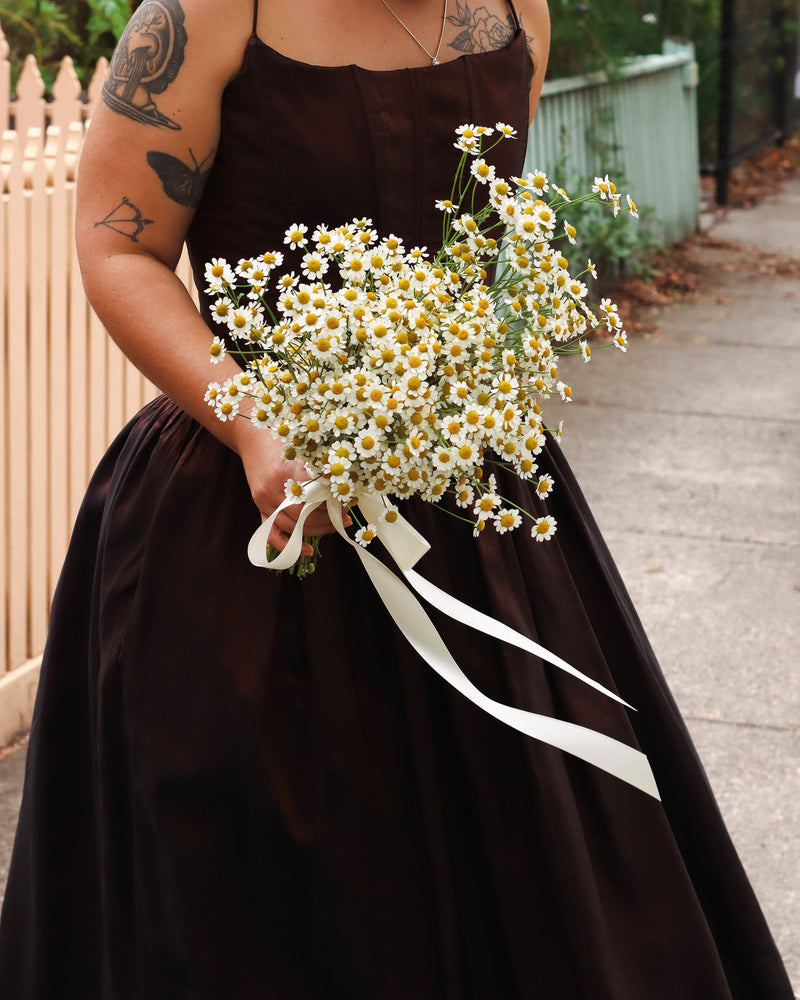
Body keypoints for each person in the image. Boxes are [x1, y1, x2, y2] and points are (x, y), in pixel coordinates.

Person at [0, 0, 793, 996]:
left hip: (465, 506)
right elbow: (119, 248)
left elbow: (471, 247)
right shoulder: (205, 15)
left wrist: (456, 370)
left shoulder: (514, 15)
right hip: (244, 517)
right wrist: (259, 424)